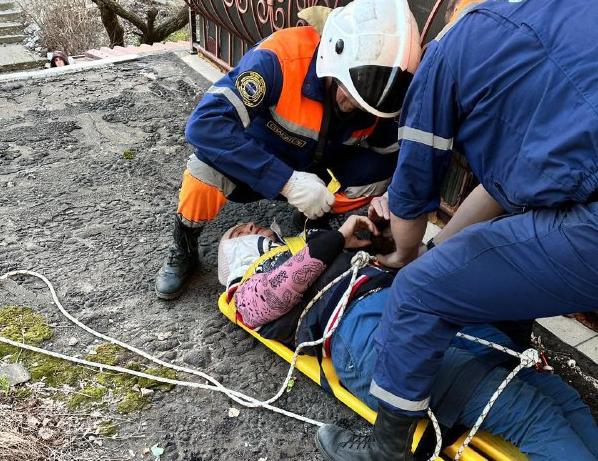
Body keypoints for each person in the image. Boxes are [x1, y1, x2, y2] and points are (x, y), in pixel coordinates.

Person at [315, 0, 598, 459]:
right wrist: (436, 253)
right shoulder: (554, 19)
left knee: (417, 293)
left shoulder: (450, 54)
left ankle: (386, 452)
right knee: (552, 405)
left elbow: (411, 191)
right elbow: (499, 191)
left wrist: (404, 257)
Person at [217, 216, 598, 461]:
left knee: (563, 398)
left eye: (256, 225)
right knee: (533, 415)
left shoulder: (322, 241)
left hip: (427, 308)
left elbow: (402, 260)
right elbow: (263, 305)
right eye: (241, 232)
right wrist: (334, 240)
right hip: (364, 329)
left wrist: (378, 240)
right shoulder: (250, 283)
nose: (253, 228)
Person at [154, 0, 422, 300]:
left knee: (378, 174)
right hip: (253, 161)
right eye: (350, 95)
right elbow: (205, 125)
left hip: (318, 166)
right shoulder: (280, 58)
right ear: (334, 56)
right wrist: (286, 181)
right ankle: (184, 247)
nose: (356, 107)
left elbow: (396, 156)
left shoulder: (381, 95)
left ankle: (313, 227)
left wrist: (391, 197)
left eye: (365, 104)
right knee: (203, 173)